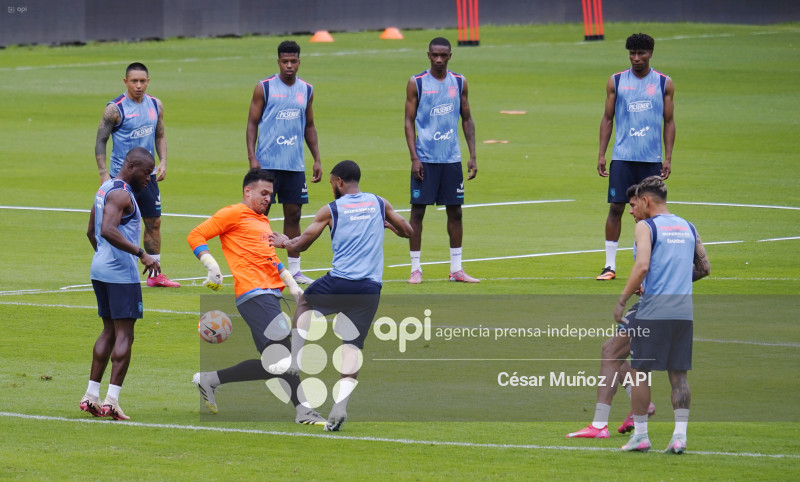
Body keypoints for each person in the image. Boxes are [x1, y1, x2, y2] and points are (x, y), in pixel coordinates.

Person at [268, 160, 413, 431]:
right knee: (351, 346)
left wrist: (284, 242)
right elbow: (408, 231)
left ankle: (295, 361)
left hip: (340, 282)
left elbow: (303, 243)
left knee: (305, 302)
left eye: (331, 183)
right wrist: (389, 227)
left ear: (339, 182)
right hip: (370, 288)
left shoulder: (332, 209)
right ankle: (340, 407)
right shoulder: (379, 203)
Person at [187, 169, 327, 425]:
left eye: (270, 195)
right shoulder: (232, 213)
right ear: (247, 191)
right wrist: (211, 266)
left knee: (275, 363)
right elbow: (196, 235)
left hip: (270, 295)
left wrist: (293, 286)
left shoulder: (262, 221)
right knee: (284, 355)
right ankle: (304, 411)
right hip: (253, 294)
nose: (268, 199)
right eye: (263, 193)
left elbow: (270, 258)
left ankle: (209, 379)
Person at [614, 176, 710, 453]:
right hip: (683, 311)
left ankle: (641, 436)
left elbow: (642, 266)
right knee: (678, 375)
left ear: (645, 200)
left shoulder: (646, 227)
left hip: (654, 310)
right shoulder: (688, 226)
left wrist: (622, 299)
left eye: (637, 204)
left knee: (639, 373)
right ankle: (680, 437)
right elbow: (704, 267)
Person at [80, 147, 161, 421]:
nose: (149, 179)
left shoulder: (104, 189)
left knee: (108, 331)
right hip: (121, 275)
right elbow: (107, 229)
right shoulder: (122, 194)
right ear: (131, 167)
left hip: (100, 270)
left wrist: (104, 257)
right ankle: (111, 401)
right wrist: (141, 254)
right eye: (146, 173)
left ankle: (91, 395)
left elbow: (91, 231)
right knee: (125, 334)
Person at [596, 33, 675, 281]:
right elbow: (607, 118)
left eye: (641, 53)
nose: (636, 58)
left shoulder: (663, 83)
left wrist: (668, 158)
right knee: (616, 207)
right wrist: (601, 154)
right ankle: (609, 266)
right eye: (632, 53)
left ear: (651, 54)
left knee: (653, 213)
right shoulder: (617, 81)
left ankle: (650, 265)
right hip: (622, 157)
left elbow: (669, 122)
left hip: (651, 159)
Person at [95, 62, 180, 288]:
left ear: (148, 81)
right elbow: (101, 140)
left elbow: (160, 135)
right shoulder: (115, 109)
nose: (139, 85)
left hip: (147, 177)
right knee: (117, 226)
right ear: (125, 82)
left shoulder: (155, 105)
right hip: (121, 179)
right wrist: (103, 173)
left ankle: (155, 275)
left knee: (154, 222)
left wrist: (163, 161)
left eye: (143, 81)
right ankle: (117, 268)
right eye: (134, 81)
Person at [247, 40, 323, 285]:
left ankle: (295, 270)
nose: (289, 65)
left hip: (294, 164)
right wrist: (252, 157)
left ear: (299, 62)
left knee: (294, 215)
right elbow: (252, 123)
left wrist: (317, 159)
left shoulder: (306, 89)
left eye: (293, 61)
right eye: (285, 61)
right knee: (261, 216)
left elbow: (309, 126)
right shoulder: (264, 87)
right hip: (267, 165)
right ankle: (260, 267)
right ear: (278, 62)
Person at [404, 37, 478, 284]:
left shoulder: (459, 82)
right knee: (418, 212)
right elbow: (408, 121)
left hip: (451, 158)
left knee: (455, 212)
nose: (438, 59)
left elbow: (467, 118)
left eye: (443, 55)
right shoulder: (417, 82)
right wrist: (414, 157)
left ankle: (456, 269)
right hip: (425, 158)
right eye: (434, 55)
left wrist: (472, 155)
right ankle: (416, 268)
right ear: (428, 55)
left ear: (450, 56)